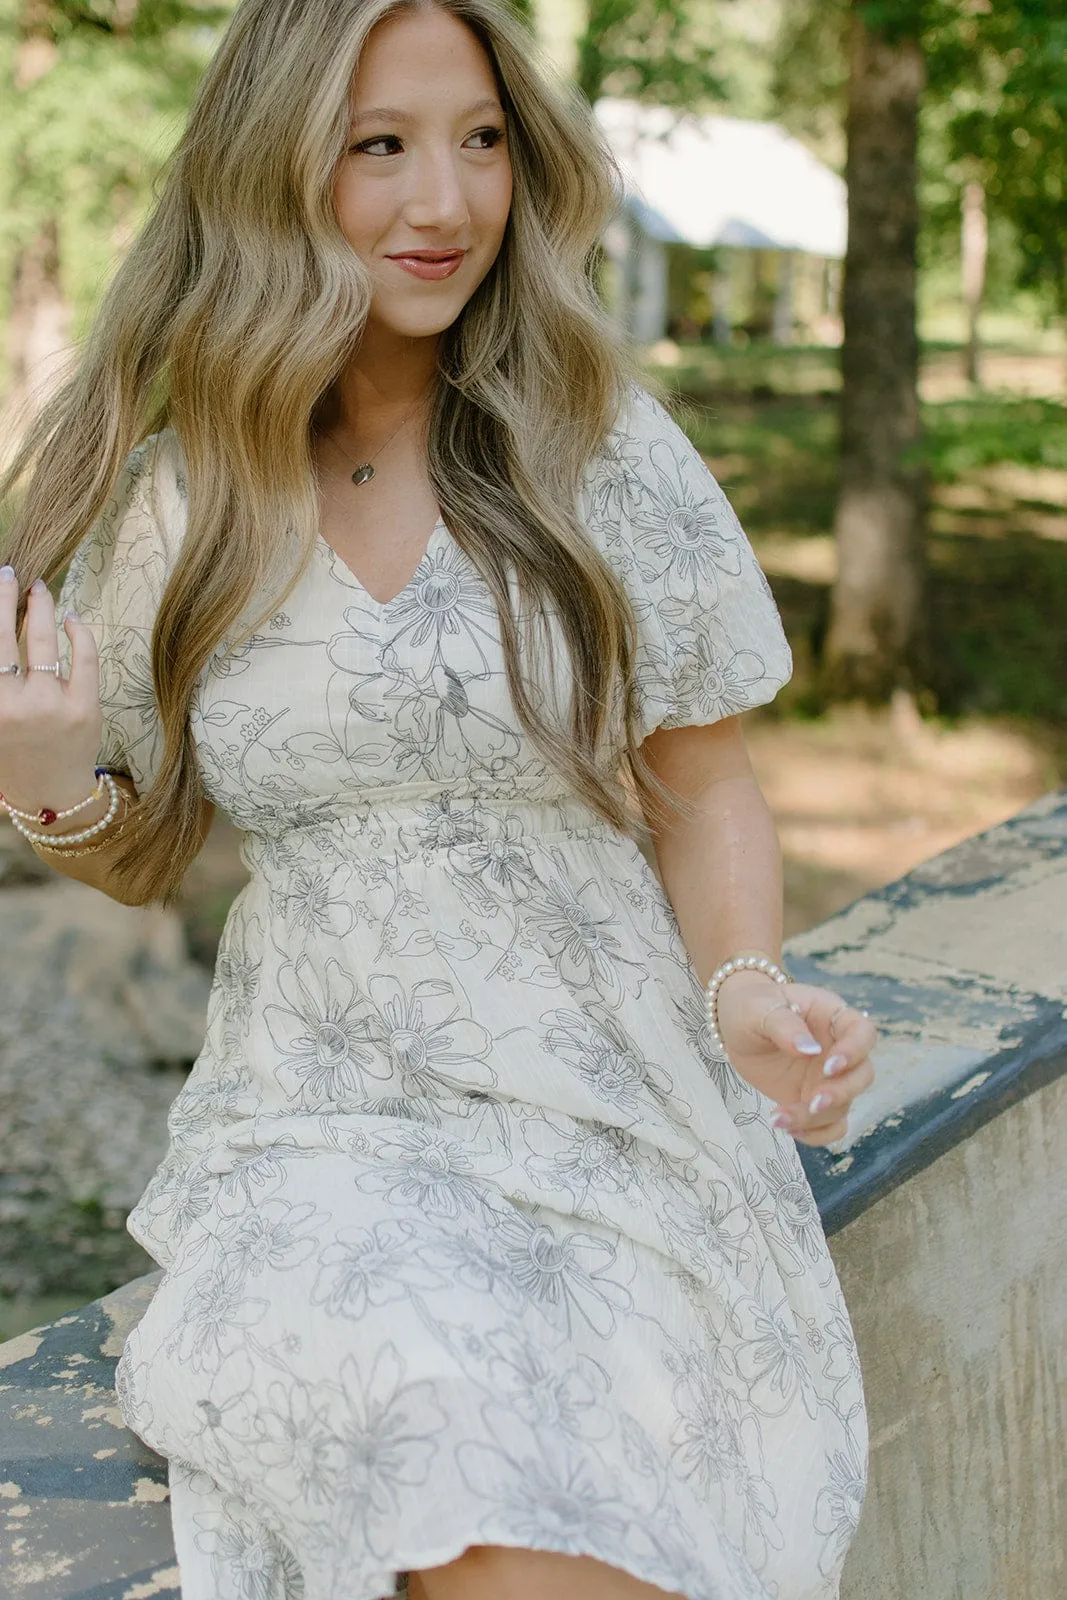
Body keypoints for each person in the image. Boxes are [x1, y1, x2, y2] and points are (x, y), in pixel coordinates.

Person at [0, 2, 878, 1597]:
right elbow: (142, 854)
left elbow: (704, 775)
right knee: (441, 1430)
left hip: (619, 1100)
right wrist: (50, 781)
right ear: (271, 170)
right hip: (324, 1117)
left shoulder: (589, 439)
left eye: (479, 140)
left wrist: (744, 987)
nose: (445, 202)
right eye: (379, 146)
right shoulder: (174, 490)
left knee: (615, 1477)